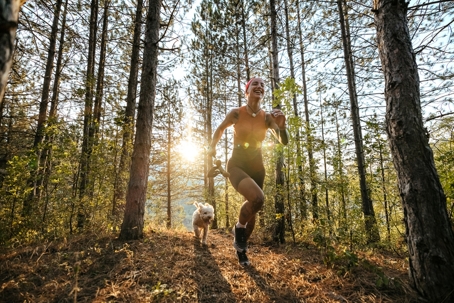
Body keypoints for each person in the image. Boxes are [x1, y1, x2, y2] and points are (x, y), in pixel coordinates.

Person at [207, 77, 289, 266]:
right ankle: (238, 229)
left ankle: (241, 250)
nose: (259, 86)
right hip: (237, 166)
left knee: (253, 210)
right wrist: (212, 147)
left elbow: (283, 140)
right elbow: (220, 129)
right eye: (255, 84)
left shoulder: (268, 117)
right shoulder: (236, 113)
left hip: (257, 169)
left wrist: (283, 126)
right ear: (247, 91)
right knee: (258, 198)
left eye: (262, 85)